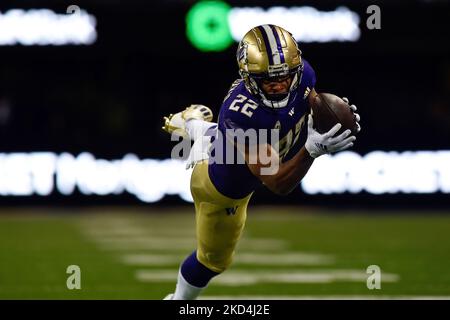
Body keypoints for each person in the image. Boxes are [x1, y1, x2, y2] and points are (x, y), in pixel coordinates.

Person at [161, 24, 361, 300]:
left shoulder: (304, 76)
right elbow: (277, 182)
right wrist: (312, 150)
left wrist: (333, 117)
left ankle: (193, 123)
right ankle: (178, 300)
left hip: (241, 147)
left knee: (219, 135)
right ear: (249, 77)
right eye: (269, 79)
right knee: (213, 261)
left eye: (285, 76)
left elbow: (313, 103)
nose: (279, 84)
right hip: (218, 187)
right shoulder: (241, 113)